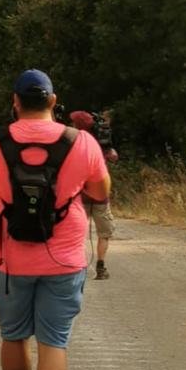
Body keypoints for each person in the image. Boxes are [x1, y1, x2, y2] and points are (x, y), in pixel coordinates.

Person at [0, 70, 110, 370]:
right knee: (54, 342)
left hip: (8, 259)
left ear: (15, 102)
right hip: (64, 260)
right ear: (53, 101)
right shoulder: (81, 141)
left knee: (14, 335)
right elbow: (100, 192)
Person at [69, 109, 118, 280]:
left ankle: (78, 266)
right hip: (100, 193)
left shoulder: (72, 142)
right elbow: (113, 156)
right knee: (104, 233)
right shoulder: (99, 143)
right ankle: (101, 266)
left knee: (76, 232)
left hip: (80, 194)